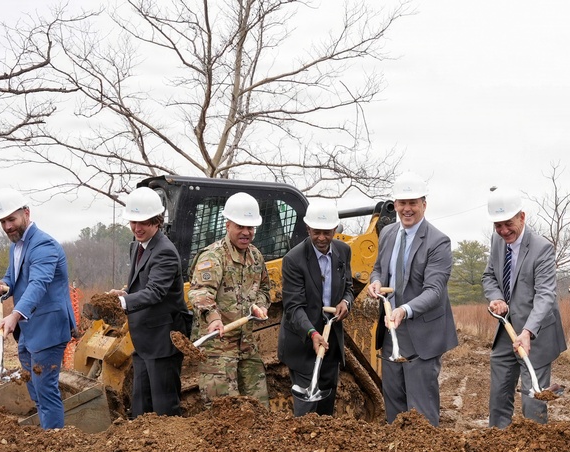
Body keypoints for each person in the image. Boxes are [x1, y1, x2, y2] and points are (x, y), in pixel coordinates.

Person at [367, 172, 458, 426]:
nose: (407, 209)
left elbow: (434, 291)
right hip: (390, 332)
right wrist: (375, 282)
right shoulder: (387, 233)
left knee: (421, 413)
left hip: (421, 334)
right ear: (394, 204)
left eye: (413, 203)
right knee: (394, 404)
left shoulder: (438, 242)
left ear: (424, 204)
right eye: (401, 203)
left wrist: (405, 310)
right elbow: (378, 268)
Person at [0, 188, 76, 430]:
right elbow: (15, 278)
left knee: (46, 390)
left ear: (26, 213)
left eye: (11, 219)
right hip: (28, 331)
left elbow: (38, 284)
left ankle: (54, 441)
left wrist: (14, 315)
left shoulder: (43, 245)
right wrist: (3, 286)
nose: (7, 226)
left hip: (48, 329)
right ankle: (45, 438)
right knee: (34, 389)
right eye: (2, 221)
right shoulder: (16, 245)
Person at [481, 188, 566, 428]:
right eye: (498, 225)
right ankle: (497, 443)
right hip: (506, 331)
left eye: (508, 224)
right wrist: (496, 298)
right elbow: (489, 276)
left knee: (534, 399)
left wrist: (528, 332)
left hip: (535, 335)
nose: (503, 231)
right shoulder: (497, 240)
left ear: (522, 217)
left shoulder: (541, 248)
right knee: (498, 396)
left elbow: (546, 295)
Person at [107, 187, 190, 418]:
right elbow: (141, 284)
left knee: (165, 408)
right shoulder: (139, 246)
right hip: (144, 339)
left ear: (157, 221)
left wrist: (122, 303)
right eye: (133, 222)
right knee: (141, 406)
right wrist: (122, 292)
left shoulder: (165, 251)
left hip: (163, 340)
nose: (137, 228)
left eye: (143, 222)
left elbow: (155, 292)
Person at [187, 192, 272, 407]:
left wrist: (260, 306)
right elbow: (200, 292)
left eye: (250, 228)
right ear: (228, 225)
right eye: (240, 227)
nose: (246, 232)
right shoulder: (213, 257)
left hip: (246, 345)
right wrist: (213, 318)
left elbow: (263, 288)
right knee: (224, 415)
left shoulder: (256, 256)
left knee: (260, 409)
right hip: (218, 349)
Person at [277, 199, 354, 417]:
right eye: (316, 232)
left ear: (335, 229)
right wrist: (311, 333)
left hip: (331, 341)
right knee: (307, 411)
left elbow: (348, 287)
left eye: (327, 232)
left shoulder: (343, 251)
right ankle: (303, 449)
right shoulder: (294, 260)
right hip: (303, 342)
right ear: (308, 228)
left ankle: (324, 449)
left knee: (326, 407)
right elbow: (293, 306)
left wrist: (346, 302)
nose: (321, 238)